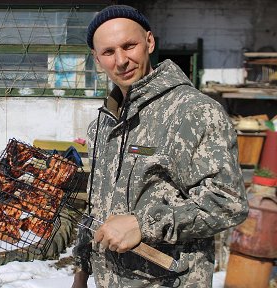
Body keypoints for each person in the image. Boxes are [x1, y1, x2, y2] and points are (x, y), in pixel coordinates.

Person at [71, 4, 248, 288]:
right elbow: (96, 207)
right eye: (108, 52)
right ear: (96, 58)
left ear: (149, 42)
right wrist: (81, 273)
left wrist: (144, 224)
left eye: (129, 46)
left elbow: (229, 202)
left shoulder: (192, 112)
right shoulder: (103, 124)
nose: (121, 61)